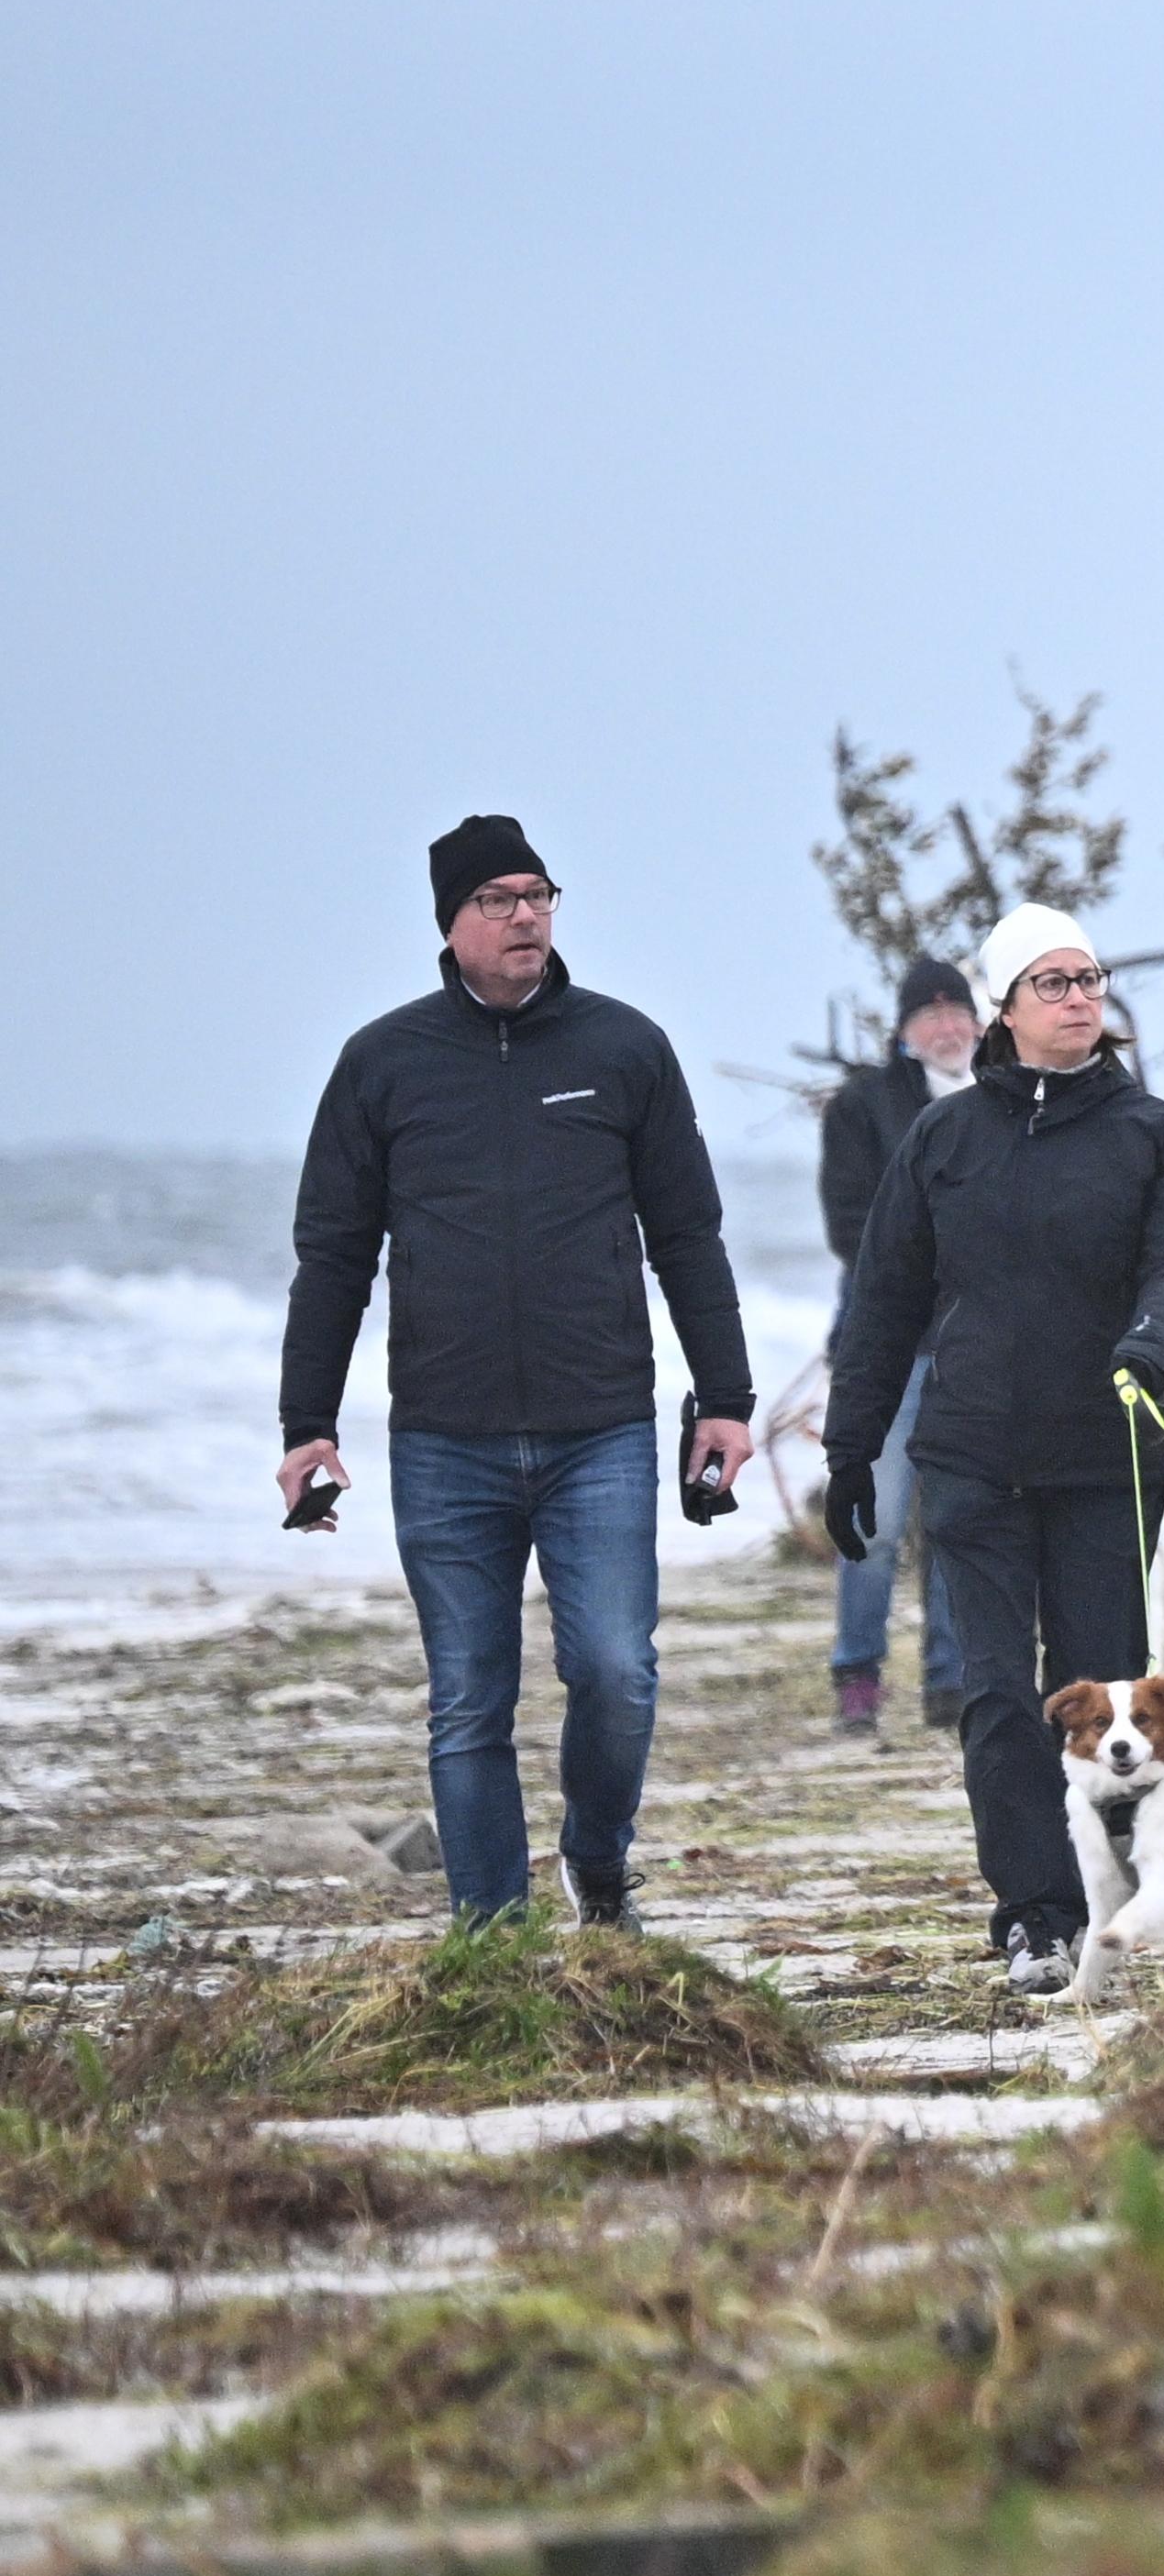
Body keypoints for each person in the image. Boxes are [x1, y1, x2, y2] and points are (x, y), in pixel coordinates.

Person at [278, 814, 762, 1931]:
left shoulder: (624, 1049)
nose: (526, 914)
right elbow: (334, 1257)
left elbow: (688, 1234)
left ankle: (597, 1859)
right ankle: (489, 1940)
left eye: (539, 893)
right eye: (499, 897)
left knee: (616, 1672)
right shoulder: (383, 1063)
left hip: (600, 1429)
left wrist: (726, 1399)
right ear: (450, 921)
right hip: (445, 1439)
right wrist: (308, 1423)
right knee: (467, 1702)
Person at [815, 904, 1164, 2002]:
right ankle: (1034, 1919)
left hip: (1106, 1457)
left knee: (1105, 1707)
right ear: (1004, 1007)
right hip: (974, 1458)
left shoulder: (1153, 1133)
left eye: (1090, 976)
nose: (1081, 994)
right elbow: (885, 1302)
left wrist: (1153, 1340)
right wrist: (852, 1449)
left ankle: (1108, 1909)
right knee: (997, 1696)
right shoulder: (942, 1141)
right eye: (1053, 980)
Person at [804, 952, 970, 1733]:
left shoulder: (1001, 1099)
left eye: (955, 1009)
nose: (944, 1025)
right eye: (927, 1013)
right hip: (888, 1349)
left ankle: (952, 1681)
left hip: (979, 1349)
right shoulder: (864, 1107)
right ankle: (858, 1676)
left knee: (959, 1521)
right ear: (904, 1032)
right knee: (874, 1521)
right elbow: (849, 1228)